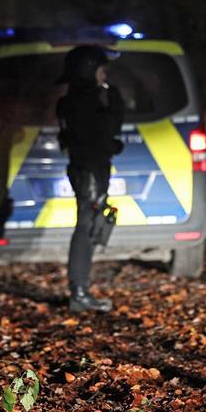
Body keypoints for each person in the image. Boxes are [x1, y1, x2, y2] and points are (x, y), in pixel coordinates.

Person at [56, 45, 125, 312]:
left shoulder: (71, 100)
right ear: (87, 70)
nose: (104, 74)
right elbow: (101, 133)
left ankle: (80, 290)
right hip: (90, 171)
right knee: (86, 228)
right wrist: (114, 100)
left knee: (87, 226)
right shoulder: (84, 101)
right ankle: (79, 292)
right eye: (100, 69)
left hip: (85, 169)